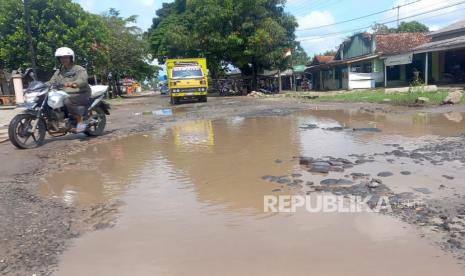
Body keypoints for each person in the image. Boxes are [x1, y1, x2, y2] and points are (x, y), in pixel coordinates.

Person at [47, 47, 91, 133]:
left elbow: (83, 80)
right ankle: (56, 121)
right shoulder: (59, 72)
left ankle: (80, 122)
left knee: (67, 101)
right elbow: (51, 81)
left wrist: (74, 84)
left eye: (66, 57)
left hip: (81, 92)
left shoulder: (79, 69)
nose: (63, 59)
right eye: (61, 58)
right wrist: (40, 85)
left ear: (71, 58)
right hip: (65, 93)